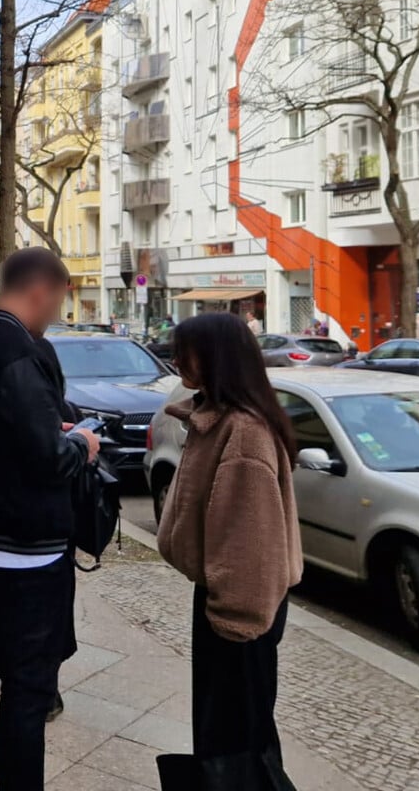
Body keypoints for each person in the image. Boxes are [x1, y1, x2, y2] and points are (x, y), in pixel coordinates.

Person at [0, 247, 99, 791]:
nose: (56, 313)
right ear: (40, 291)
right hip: (27, 552)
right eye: (58, 301)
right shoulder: (20, 352)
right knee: (26, 693)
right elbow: (46, 459)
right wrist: (81, 446)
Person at [156, 311, 301, 788]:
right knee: (231, 737)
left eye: (186, 351)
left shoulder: (244, 432)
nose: (176, 359)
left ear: (218, 358)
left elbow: (251, 546)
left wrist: (233, 618)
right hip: (225, 601)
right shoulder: (218, 419)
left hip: (240, 613)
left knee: (236, 746)